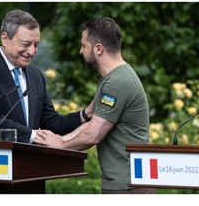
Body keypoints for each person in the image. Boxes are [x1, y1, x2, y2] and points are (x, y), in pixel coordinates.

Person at [0, 9, 93, 194]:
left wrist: (85, 114)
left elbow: (50, 122)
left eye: (36, 45)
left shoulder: (36, 75)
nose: (32, 51)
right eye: (26, 44)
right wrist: (33, 136)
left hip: (27, 178)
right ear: (5, 38)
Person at [35, 17, 156, 194]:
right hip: (128, 183)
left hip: (128, 187)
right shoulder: (112, 79)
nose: (80, 51)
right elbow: (92, 124)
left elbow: (93, 135)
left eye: (84, 45)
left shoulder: (116, 82)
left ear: (98, 49)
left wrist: (61, 146)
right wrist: (58, 141)